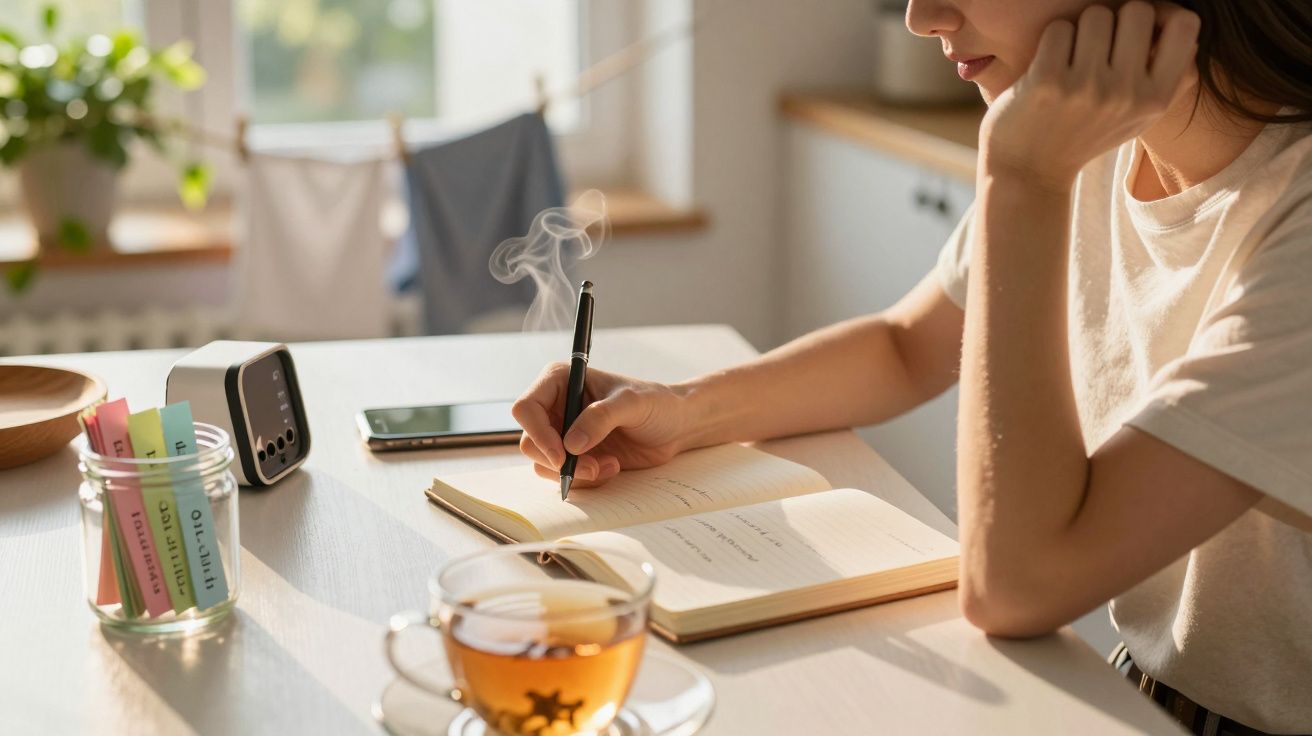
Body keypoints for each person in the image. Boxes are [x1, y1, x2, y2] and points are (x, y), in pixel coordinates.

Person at [512, 1, 1312, 733]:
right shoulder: (1099, 138)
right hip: (1145, 693)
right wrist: (681, 407)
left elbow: (1018, 586)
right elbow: (907, 344)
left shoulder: (1285, 219)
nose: (921, 15)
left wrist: (1021, 178)